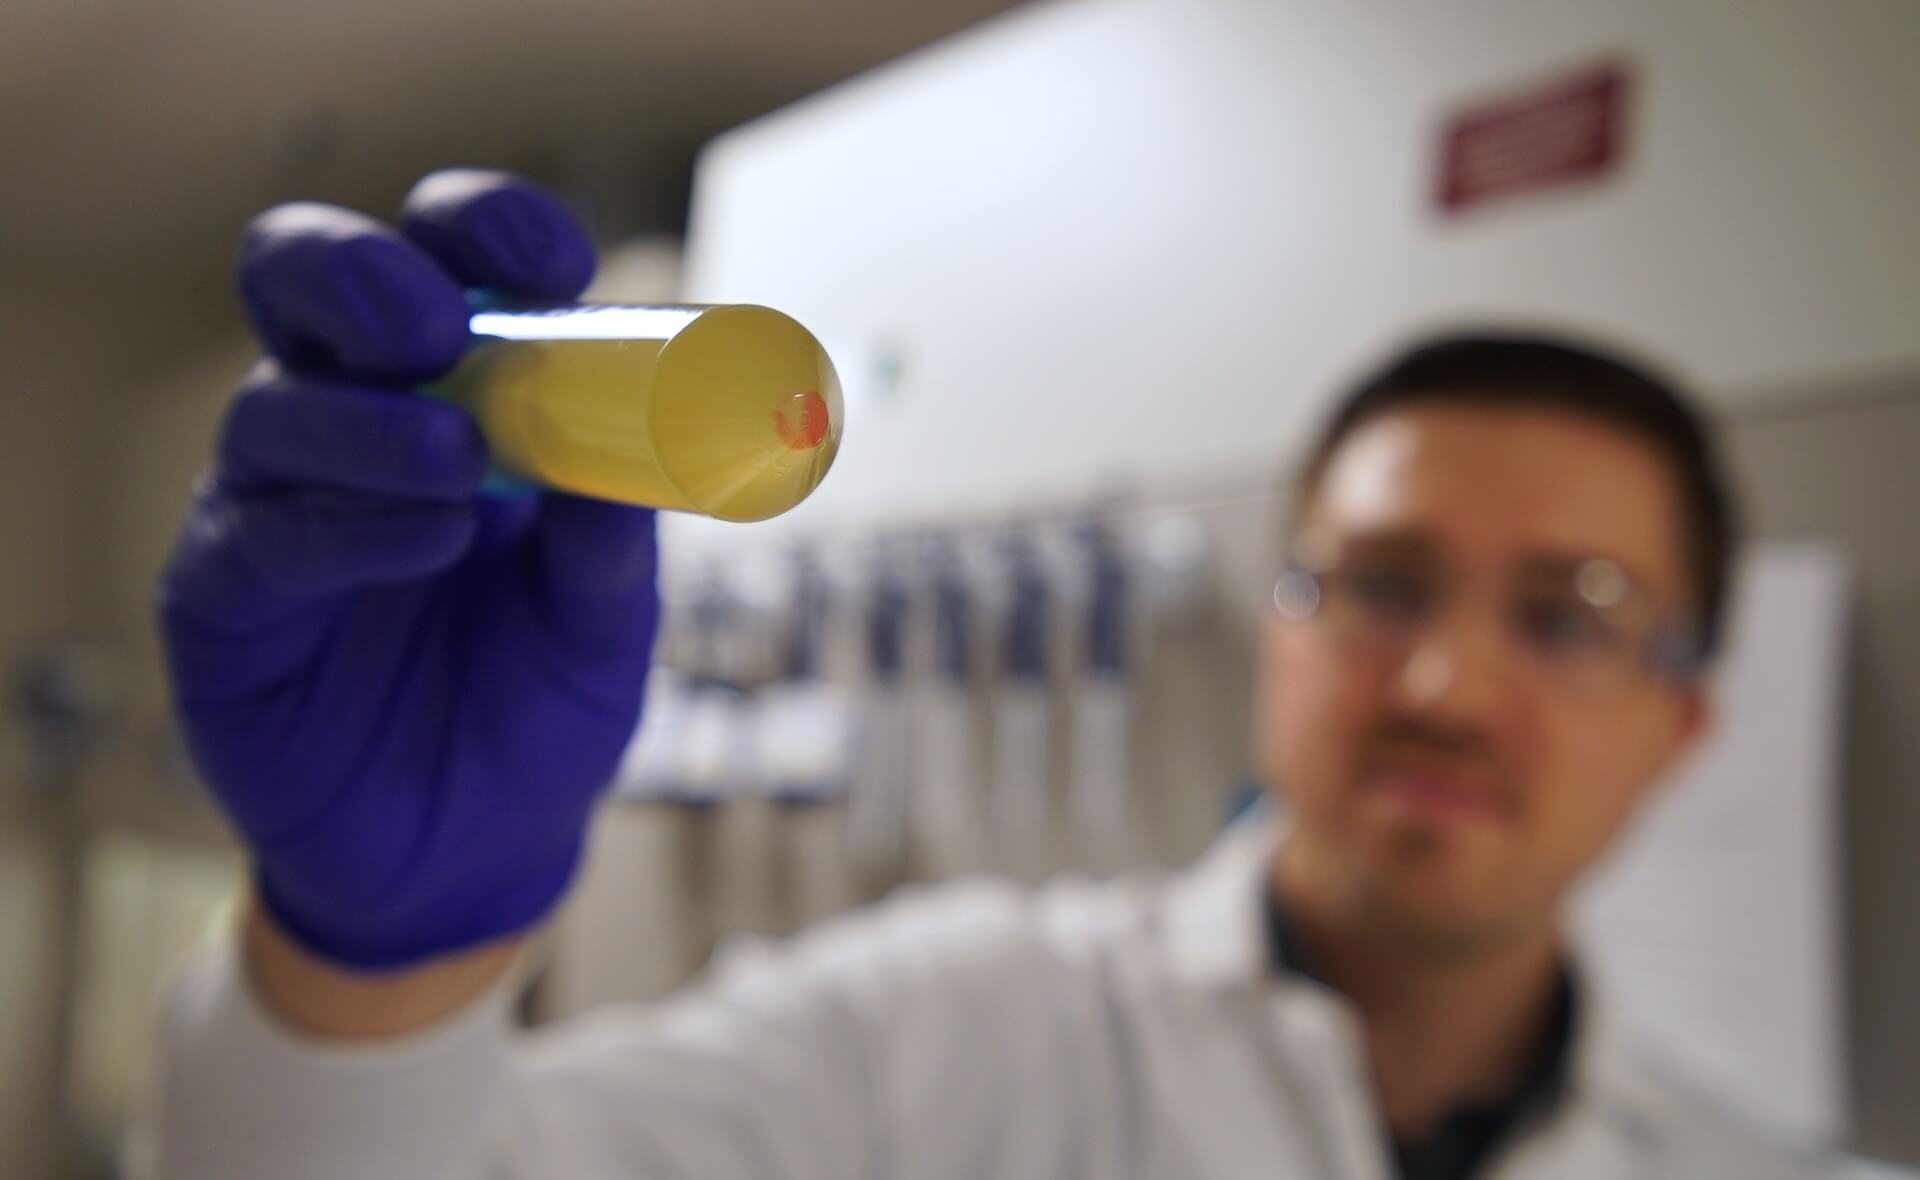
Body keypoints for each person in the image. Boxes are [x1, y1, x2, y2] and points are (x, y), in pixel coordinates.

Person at [130, 169, 1822, 1180]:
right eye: (1382, 585)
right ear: (1283, 622)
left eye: (1570, 612)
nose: (1448, 683)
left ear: (1683, 721)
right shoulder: (944, 1035)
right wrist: (367, 966)